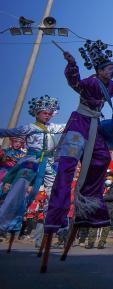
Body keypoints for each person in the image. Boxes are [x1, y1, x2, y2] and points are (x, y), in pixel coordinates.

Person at [42, 42, 113, 255]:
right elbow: (74, 82)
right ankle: (56, 213)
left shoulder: (110, 86)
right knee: (67, 165)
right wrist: (72, 64)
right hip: (79, 124)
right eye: (107, 68)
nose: (111, 70)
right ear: (98, 70)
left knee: (102, 159)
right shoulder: (90, 82)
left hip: (94, 125)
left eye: (111, 68)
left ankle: (88, 203)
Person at [0, 95, 63, 245]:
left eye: (49, 113)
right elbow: (9, 132)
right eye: (44, 113)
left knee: (55, 191)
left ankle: (56, 223)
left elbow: (67, 126)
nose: (47, 115)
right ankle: (4, 222)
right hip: (32, 161)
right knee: (19, 188)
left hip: (48, 163)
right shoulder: (29, 127)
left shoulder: (52, 127)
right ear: (37, 113)